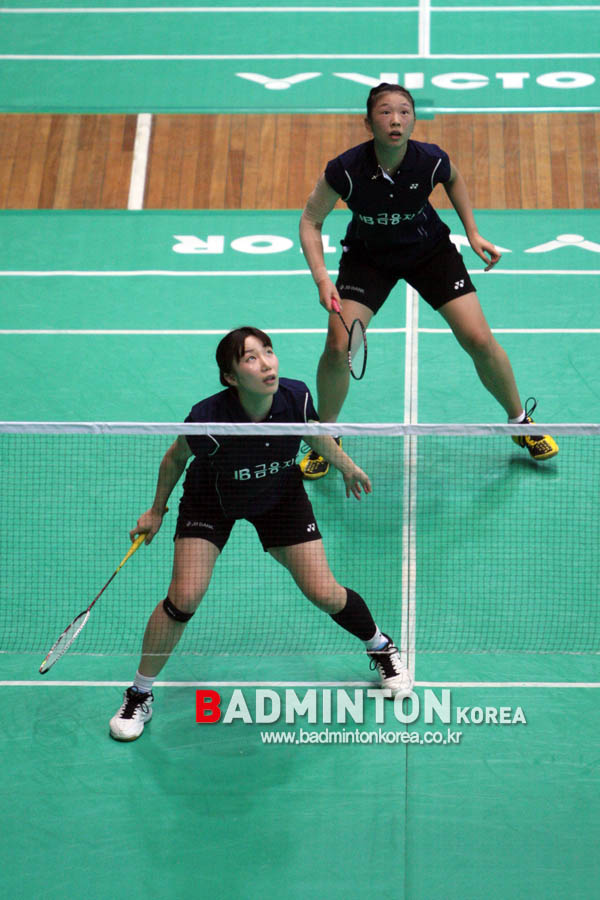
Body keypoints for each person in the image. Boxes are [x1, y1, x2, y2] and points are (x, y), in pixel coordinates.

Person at [109, 326, 413, 741]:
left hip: (278, 497)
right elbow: (174, 459)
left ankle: (381, 646)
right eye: (251, 358)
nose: (267, 363)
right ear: (230, 377)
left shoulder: (296, 397)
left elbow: (313, 434)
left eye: (268, 351)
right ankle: (139, 693)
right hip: (211, 501)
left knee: (324, 592)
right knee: (184, 598)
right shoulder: (208, 419)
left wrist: (346, 465)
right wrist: (156, 510)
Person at [298, 82, 558, 479]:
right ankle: (326, 437)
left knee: (478, 338)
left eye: (404, 112)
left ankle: (520, 422)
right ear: (368, 122)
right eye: (385, 112)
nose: (396, 120)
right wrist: (321, 279)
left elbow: (453, 179)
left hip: (428, 251)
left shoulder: (430, 160)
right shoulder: (345, 169)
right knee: (338, 346)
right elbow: (310, 220)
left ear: (414, 120)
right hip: (369, 258)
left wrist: (472, 232)